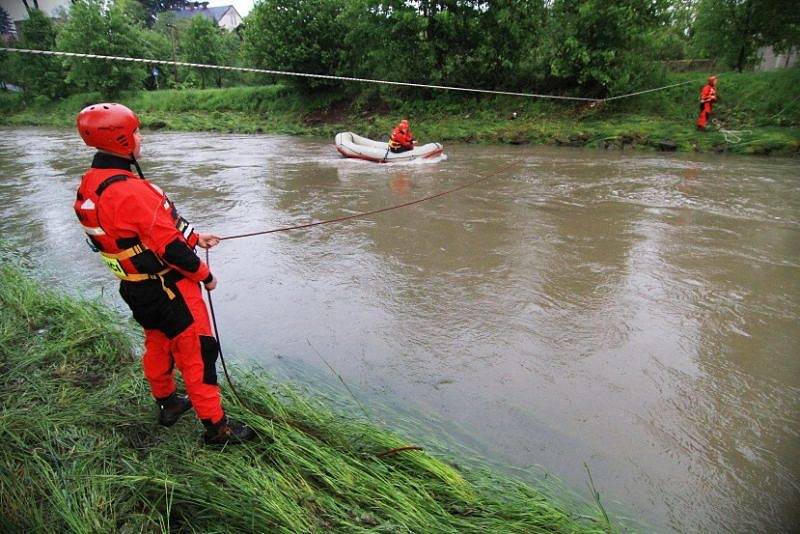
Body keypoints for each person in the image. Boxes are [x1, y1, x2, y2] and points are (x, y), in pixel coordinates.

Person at [73, 103, 254, 446]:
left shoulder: (92, 183)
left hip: (136, 288)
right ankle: (217, 428)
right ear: (122, 139)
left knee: (157, 343)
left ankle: (168, 402)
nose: (141, 137)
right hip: (171, 289)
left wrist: (195, 237)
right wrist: (205, 276)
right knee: (198, 352)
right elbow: (170, 249)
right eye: (137, 131)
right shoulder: (132, 190)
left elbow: (145, 231)